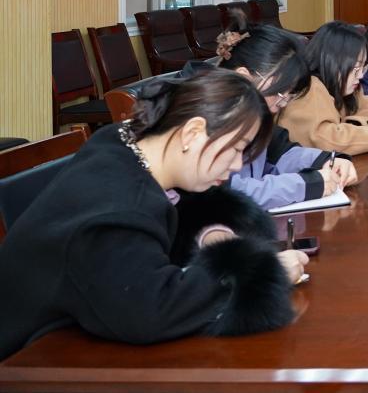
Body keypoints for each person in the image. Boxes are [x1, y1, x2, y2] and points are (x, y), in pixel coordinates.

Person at [0, 70, 305, 359]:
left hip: (76, 338)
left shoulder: (125, 144)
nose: (237, 164)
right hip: (30, 362)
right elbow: (151, 311)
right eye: (236, 148)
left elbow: (183, 214)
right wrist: (263, 274)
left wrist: (212, 233)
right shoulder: (118, 206)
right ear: (192, 132)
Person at [213, 20, 357, 210]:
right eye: (280, 94)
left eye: (288, 98)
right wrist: (306, 185)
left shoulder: (254, 118)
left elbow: (279, 155)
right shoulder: (209, 119)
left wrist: (327, 160)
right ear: (244, 77)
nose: (277, 108)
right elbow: (228, 192)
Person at [277, 21, 368, 154]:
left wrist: (350, 127)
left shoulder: (347, 87)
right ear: (333, 61)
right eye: (356, 68)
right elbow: (328, 141)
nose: (360, 75)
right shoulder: (309, 86)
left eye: (363, 67)